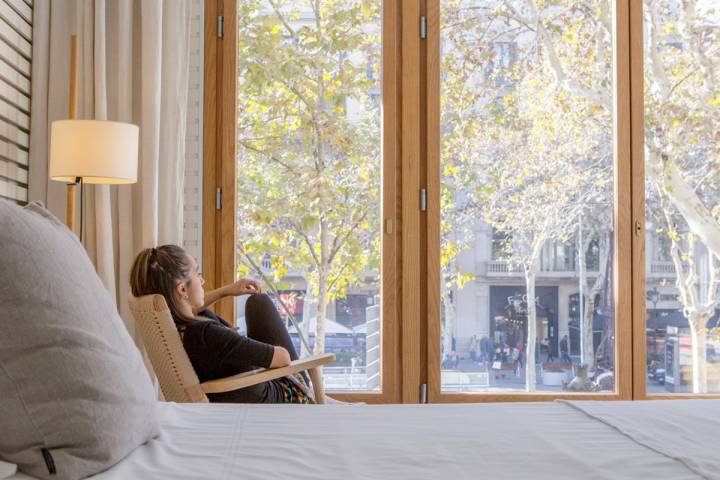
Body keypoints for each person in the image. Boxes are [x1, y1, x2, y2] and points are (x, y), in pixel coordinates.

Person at [130, 244, 315, 404]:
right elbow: (283, 358)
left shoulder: (175, 325)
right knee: (260, 303)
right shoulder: (208, 335)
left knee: (256, 303)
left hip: (242, 385)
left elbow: (191, 308)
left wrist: (226, 291)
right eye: (198, 274)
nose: (203, 281)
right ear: (183, 289)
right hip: (284, 393)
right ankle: (310, 391)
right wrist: (246, 346)